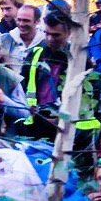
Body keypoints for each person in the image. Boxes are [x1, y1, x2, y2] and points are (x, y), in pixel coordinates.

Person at [15, 10, 72, 142]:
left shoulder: (78, 59)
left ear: (68, 33)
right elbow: (22, 86)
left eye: (56, 35)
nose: (51, 39)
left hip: (64, 124)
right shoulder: (36, 53)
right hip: (35, 122)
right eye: (47, 34)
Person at [0, 3, 43, 73]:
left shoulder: (45, 41)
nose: (21, 24)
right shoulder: (5, 40)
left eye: (26, 20)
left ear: (37, 22)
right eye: (19, 20)